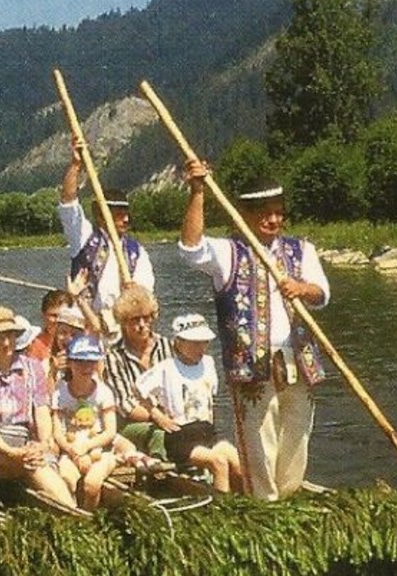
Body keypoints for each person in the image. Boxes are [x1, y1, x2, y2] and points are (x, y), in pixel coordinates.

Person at [179, 161, 329, 499]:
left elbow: (322, 293)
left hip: (298, 359)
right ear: (244, 214)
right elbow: (189, 249)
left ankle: (289, 496)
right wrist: (198, 192)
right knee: (259, 439)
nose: (274, 220)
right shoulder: (229, 253)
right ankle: (264, 503)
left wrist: (301, 289)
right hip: (251, 365)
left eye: (278, 212)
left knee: (297, 433)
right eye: (264, 213)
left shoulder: (300, 250)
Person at [0, 306, 76, 509]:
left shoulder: (32, 367)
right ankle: (69, 511)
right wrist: (10, 452)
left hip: (27, 442)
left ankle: (69, 511)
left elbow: (41, 410)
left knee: (38, 464)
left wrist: (43, 442)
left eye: (9, 335)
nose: (6, 343)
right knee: (30, 465)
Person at [136, 313, 242, 494]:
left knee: (238, 461)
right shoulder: (167, 368)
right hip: (181, 437)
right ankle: (222, 510)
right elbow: (138, 389)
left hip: (207, 432)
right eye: (194, 343)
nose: (200, 348)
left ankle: (246, 504)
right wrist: (157, 415)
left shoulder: (208, 363)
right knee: (219, 462)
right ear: (179, 342)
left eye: (204, 342)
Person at [58, 139, 154, 314]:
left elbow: (147, 293)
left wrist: (137, 293)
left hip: (122, 327)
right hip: (86, 324)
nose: (125, 219)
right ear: (102, 216)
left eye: (126, 213)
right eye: (118, 214)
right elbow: (68, 205)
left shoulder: (137, 252)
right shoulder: (84, 238)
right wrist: (76, 165)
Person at [51, 334, 136, 509]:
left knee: (92, 484)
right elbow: (58, 432)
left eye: (91, 362)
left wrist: (88, 446)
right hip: (72, 448)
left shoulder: (103, 392)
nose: (86, 367)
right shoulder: (60, 394)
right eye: (80, 362)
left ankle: (92, 519)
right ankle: (73, 516)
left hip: (100, 448)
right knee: (66, 479)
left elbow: (110, 431)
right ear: (70, 363)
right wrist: (72, 450)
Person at [103, 283, 173, 458]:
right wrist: (158, 417)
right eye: (134, 320)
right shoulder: (114, 356)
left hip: (170, 414)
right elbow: (125, 405)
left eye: (145, 318)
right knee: (159, 434)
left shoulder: (168, 347)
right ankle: (160, 475)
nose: (142, 325)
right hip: (133, 422)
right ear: (123, 322)